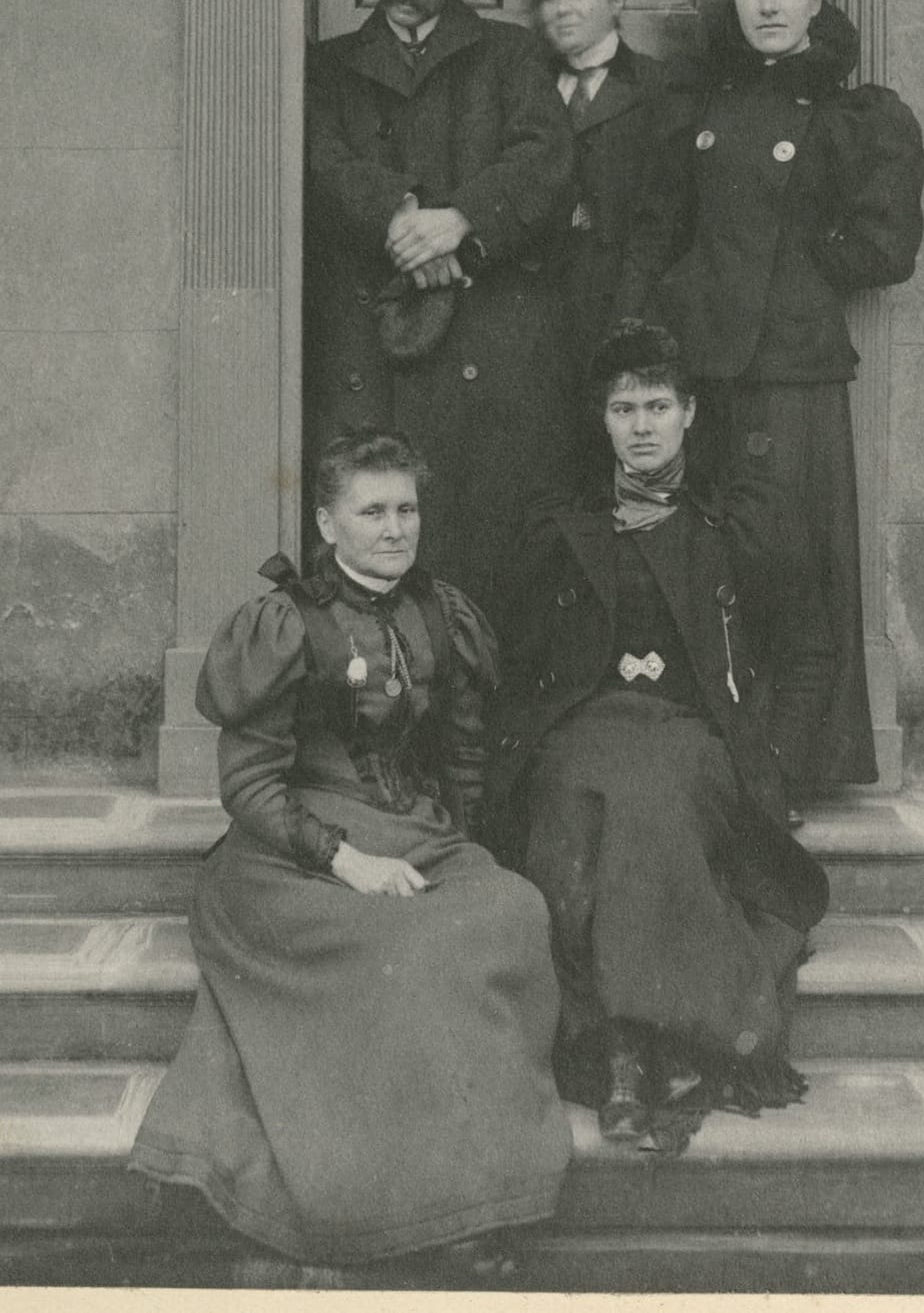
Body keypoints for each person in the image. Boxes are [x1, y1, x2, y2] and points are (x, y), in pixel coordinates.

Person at [130, 427, 572, 1273]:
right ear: (328, 523)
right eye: (372, 511)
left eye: (406, 508)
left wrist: (458, 847)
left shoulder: (440, 612)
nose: (395, 528)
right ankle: (379, 1204)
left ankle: (476, 1190)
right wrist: (346, 862)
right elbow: (251, 789)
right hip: (285, 858)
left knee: (509, 911)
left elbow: (466, 755)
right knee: (395, 949)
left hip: (414, 834)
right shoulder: (283, 622)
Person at [623, 0, 924, 802]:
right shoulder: (697, 107)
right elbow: (661, 229)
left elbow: (884, 251)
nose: (765, 4)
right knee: (708, 560)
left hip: (793, 373)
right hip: (705, 373)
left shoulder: (854, 115)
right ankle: (716, 754)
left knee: (794, 565)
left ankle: (798, 761)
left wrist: (804, 248)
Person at [485, 322, 830, 1156]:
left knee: (650, 794)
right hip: (582, 734)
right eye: (622, 408)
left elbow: (811, 653)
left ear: (690, 413)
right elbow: (511, 656)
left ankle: (630, 1051)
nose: (641, 426)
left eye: (658, 406)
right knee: (576, 800)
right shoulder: (564, 528)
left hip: (694, 738)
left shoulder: (737, 523)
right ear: (600, 421)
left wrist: (775, 765)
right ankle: (636, 1048)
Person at [305, 0, 576, 623]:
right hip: (370, 343)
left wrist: (460, 221)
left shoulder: (512, 57)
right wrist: (399, 217)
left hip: (486, 347)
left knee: (478, 547)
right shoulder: (330, 68)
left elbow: (546, 160)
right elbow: (323, 164)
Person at [529, 0, 692, 374]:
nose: (562, 9)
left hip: (625, 311)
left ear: (617, 0)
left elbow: (664, 221)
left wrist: (628, 318)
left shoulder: (660, 88)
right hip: (534, 320)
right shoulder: (526, 85)